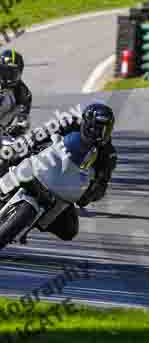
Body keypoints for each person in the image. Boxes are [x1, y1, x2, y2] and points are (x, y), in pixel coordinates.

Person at [0, 102, 117, 240]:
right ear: (86, 122)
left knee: (69, 230)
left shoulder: (108, 154)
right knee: (6, 157)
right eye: (96, 128)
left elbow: (103, 181)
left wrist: (91, 194)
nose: (99, 133)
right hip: (41, 164)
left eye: (104, 129)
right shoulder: (68, 123)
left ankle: (26, 223)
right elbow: (40, 133)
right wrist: (26, 146)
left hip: (63, 188)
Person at [0, 49, 32, 137]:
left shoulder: (23, 92)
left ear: (20, 72)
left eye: (12, 72)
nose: (8, 77)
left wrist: (16, 130)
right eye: (4, 72)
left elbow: (23, 121)